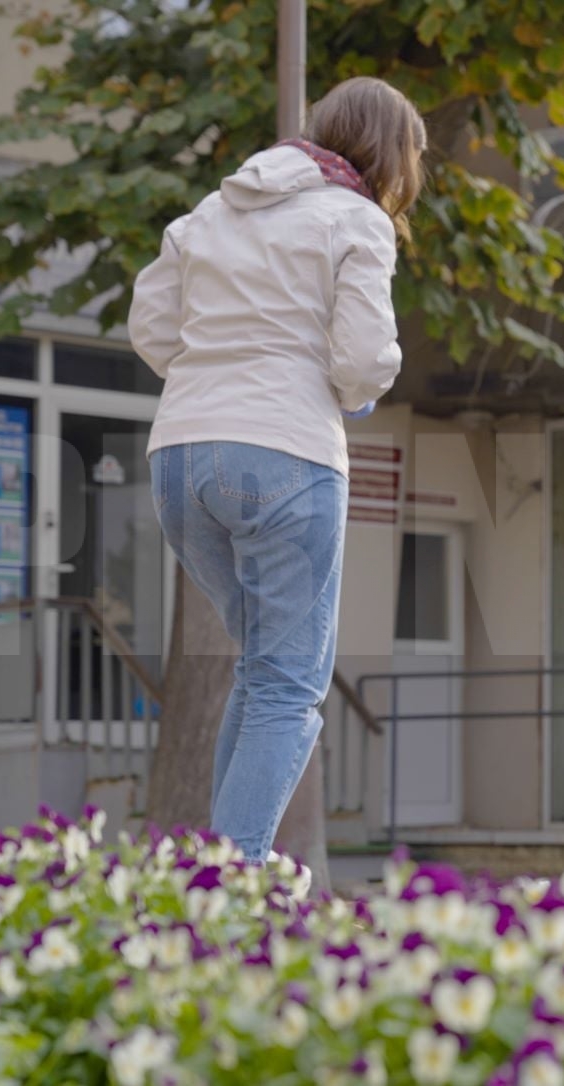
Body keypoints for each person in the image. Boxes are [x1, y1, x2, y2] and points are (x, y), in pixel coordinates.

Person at [128, 77, 425, 862]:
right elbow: (363, 359)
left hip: (180, 458)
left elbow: (152, 326)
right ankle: (230, 886)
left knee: (266, 673)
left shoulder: (211, 211)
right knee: (289, 683)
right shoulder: (357, 219)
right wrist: (349, 393)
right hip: (285, 454)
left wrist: (208, 374)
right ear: (390, 153)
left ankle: (213, 868)